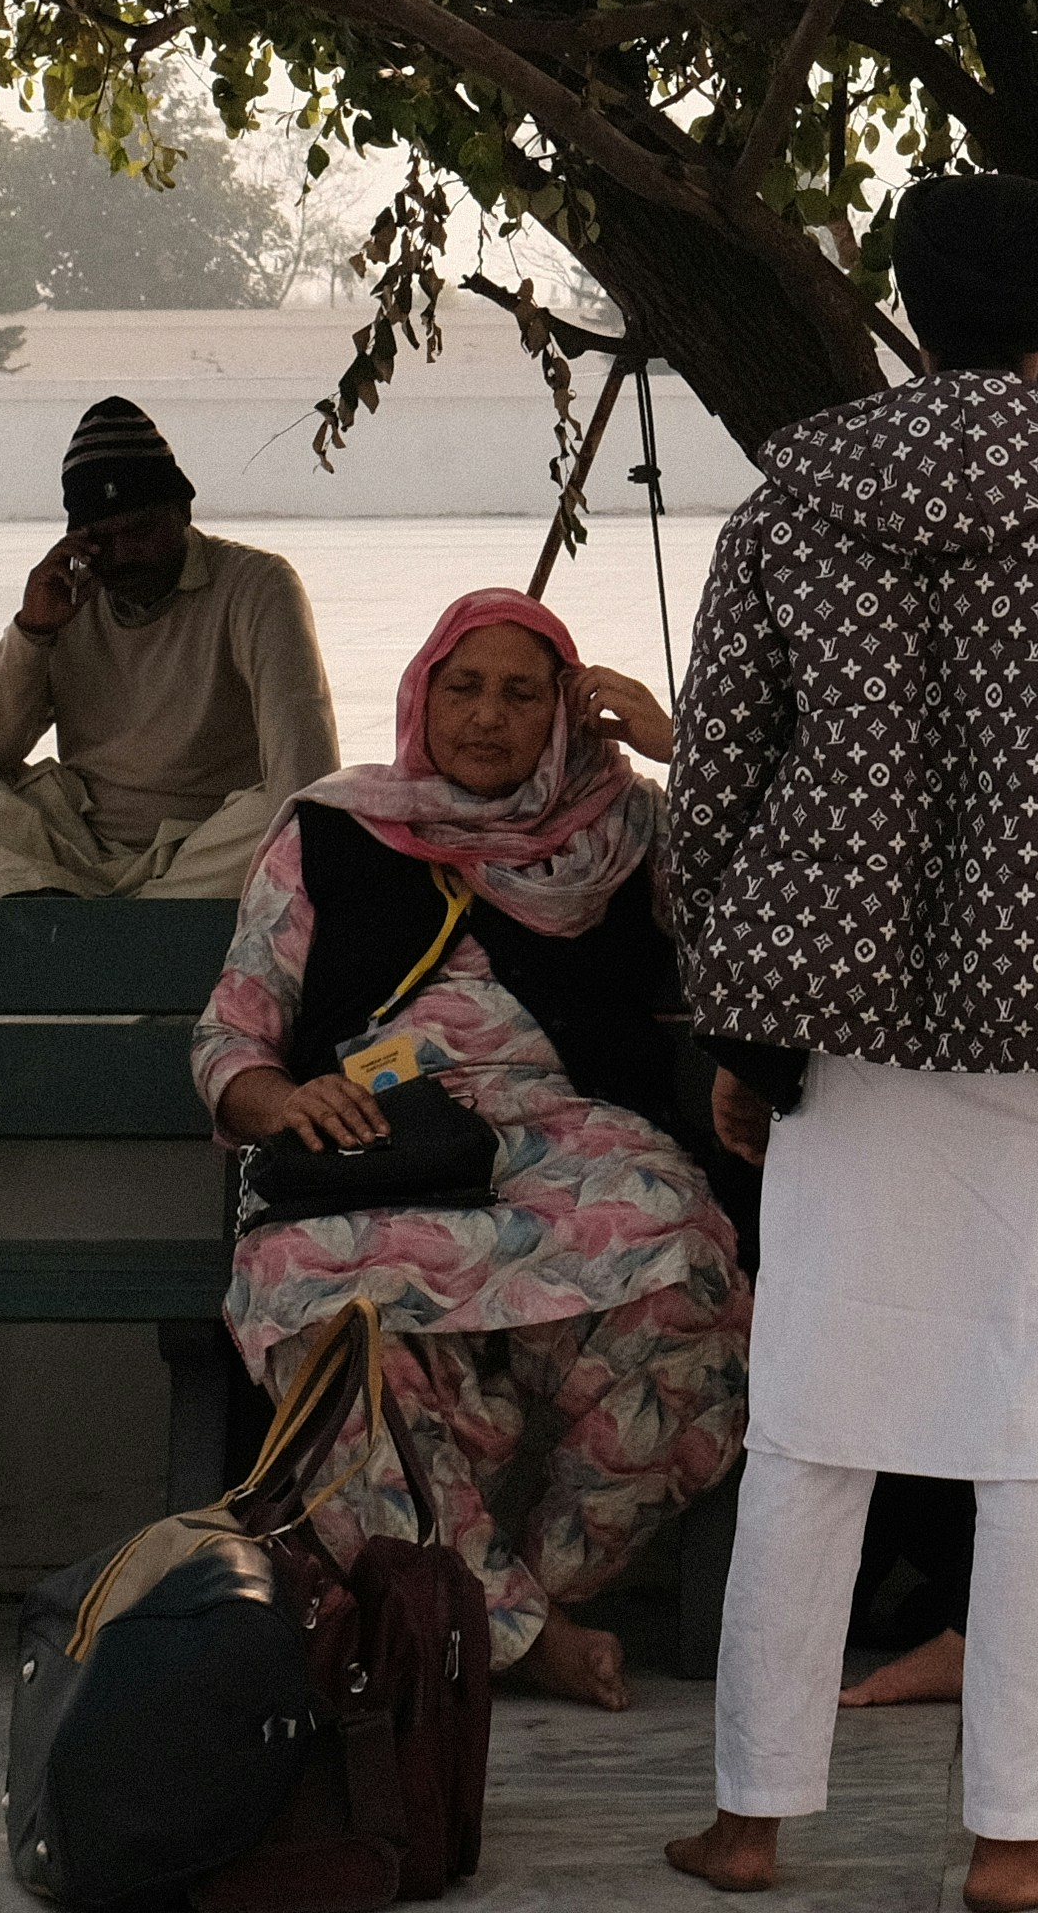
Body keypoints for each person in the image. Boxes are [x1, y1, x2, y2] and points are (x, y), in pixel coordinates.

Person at [658, 171, 1038, 1913]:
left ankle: (751, 1817)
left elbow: (709, 796)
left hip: (839, 1046)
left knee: (811, 1428)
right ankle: (1018, 1836)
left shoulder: (788, 509)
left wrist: (739, 1011)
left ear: (907, 311)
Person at [198, 587, 740, 1710]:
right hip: (381, 1151)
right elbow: (235, 1027)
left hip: (568, 1143)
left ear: (568, 711)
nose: (488, 715)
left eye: (522, 692)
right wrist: (280, 1098)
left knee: (686, 1267)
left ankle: (481, 1608)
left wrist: (687, 752)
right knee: (309, 1306)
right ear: (421, 693)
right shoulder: (333, 828)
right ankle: (518, 1630)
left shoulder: (622, 831)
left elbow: (771, 900)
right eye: (464, 685)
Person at [0, 395, 338, 899]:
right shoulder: (71, 599)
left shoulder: (257, 585)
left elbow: (306, 765)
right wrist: (33, 631)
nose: (125, 554)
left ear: (182, 511)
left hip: (203, 851)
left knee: (294, 810)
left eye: (141, 531)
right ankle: (78, 910)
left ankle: (81, 923)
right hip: (83, 849)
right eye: (103, 538)